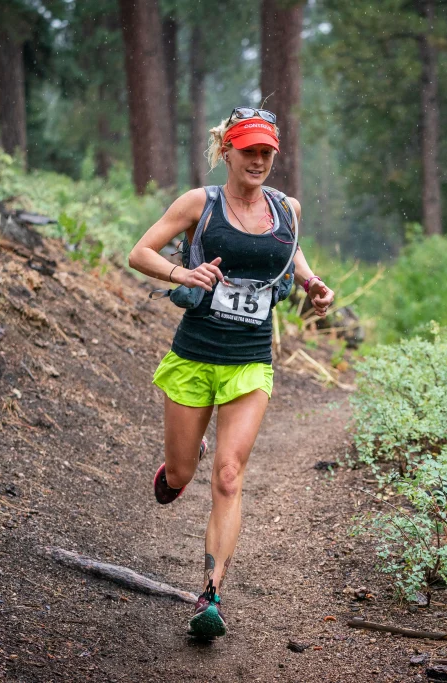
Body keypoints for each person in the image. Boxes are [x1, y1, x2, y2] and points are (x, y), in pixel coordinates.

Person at [127, 107, 334, 639]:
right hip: (195, 353)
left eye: (267, 153)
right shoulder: (201, 202)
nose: (259, 161)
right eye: (250, 152)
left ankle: (211, 594)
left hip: (249, 359)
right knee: (182, 476)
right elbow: (139, 252)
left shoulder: (288, 208)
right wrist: (183, 272)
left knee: (229, 475)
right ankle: (177, 464)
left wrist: (311, 283)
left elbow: (291, 248)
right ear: (229, 153)